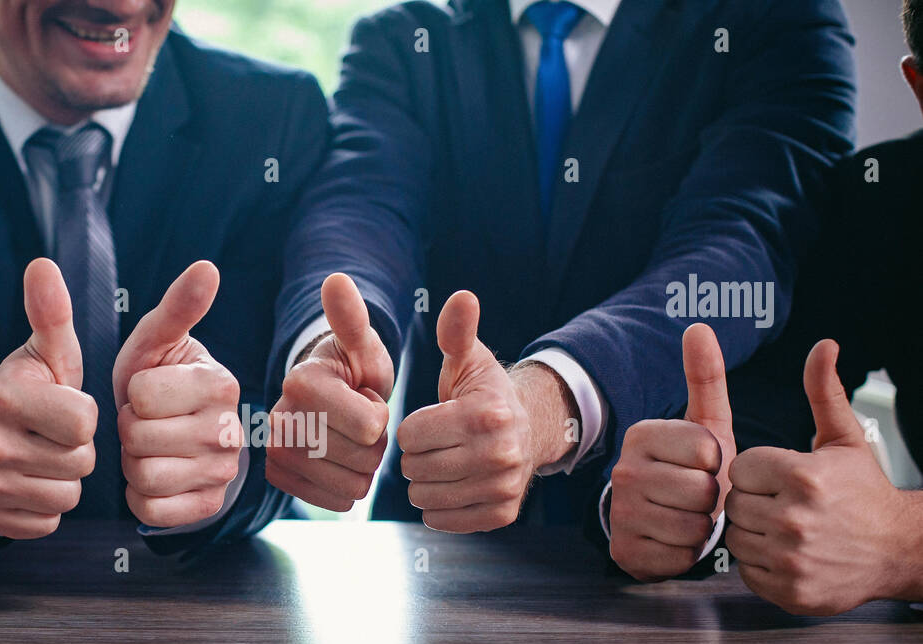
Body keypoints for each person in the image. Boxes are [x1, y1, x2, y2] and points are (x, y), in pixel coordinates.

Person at [267, 0, 856, 539]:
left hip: (677, 535)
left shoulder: (776, 21)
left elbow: (740, 245)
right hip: (436, 540)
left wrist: (550, 404)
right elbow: (359, 209)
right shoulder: (407, 39)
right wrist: (330, 342)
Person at [0, 0, 330, 554]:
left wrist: (222, 455)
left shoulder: (276, 115)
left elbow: (267, 400)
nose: (122, 6)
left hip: (217, 583)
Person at [611, 0, 923, 615]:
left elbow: (896, 542)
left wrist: (905, 542)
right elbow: (763, 412)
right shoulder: (884, 197)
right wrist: (699, 498)